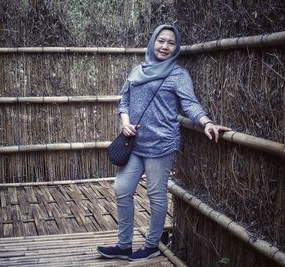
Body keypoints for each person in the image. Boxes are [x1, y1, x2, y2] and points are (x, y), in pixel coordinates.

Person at [97, 24, 231, 261]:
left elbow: (190, 104)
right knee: (122, 189)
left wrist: (206, 122)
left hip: (162, 144)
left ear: (176, 47)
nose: (165, 46)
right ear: (152, 42)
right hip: (134, 143)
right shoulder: (138, 70)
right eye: (161, 41)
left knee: (156, 194)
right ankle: (124, 244)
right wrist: (124, 123)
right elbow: (124, 101)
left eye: (171, 42)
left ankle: (151, 245)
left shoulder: (178, 75)